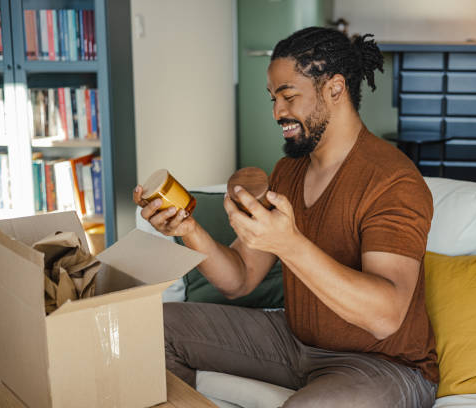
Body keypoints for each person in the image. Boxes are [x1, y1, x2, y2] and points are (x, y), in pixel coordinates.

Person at [134, 26, 438, 407]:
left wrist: (289, 244)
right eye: (273, 98)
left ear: (335, 89)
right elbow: (240, 279)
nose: (278, 112)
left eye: (288, 96)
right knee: (151, 327)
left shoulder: (392, 179)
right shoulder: (288, 171)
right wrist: (189, 229)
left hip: (384, 365)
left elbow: (386, 316)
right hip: (295, 342)